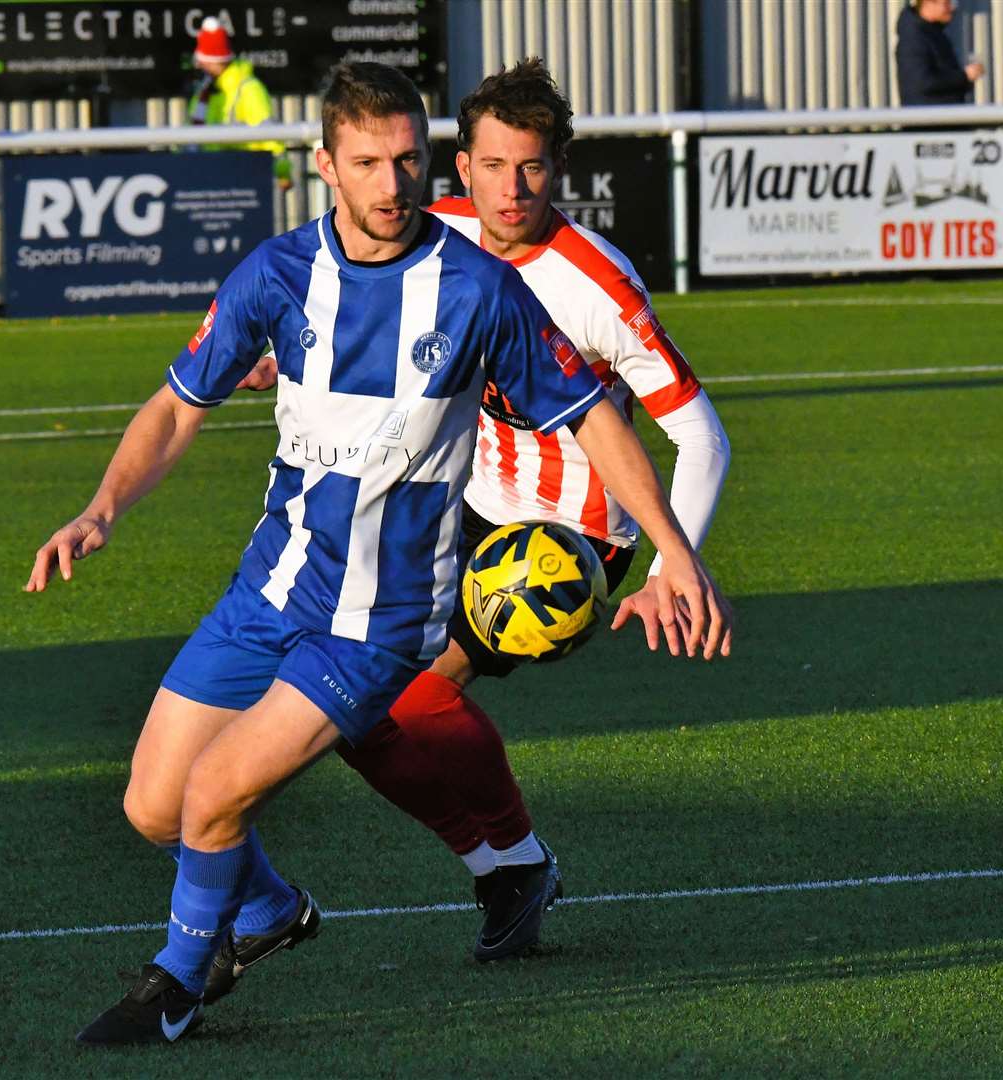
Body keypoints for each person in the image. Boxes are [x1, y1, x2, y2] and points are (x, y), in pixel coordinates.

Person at [27, 61, 731, 1047]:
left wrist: (672, 556)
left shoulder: (478, 289)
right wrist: (102, 507)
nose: (393, 184)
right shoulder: (275, 275)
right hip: (268, 587)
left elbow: (598, 423)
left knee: (218, 791)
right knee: (154, 807)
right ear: (326, 166)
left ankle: (177, 986)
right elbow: (178, 408)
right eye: (368, 163)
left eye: (406, 160)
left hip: (382, 613)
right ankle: (270, 914)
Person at [223, 58, 731, 970]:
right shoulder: (434, 233)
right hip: (461, 503)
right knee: (339, 697)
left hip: (565, 538)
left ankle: (511, 859)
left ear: (559, 168)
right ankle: (507, 863)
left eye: (531, 167)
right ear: (462, 168)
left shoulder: (596, 284)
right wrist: (280, 360)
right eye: (493, 165)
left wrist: (668, 568)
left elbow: (702, 436)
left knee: (391, 689)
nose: (511, 188)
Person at [188, 16, 293, 191]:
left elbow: (270, 136)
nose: (199, 64)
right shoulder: (204, 91)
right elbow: (189, 136)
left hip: (245, 180)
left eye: (203, 59)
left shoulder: (249, 88)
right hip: (207, 179)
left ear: (213, 60)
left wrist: (282, 174)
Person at [895, 0, 983, 106]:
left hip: (943, 115)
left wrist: (964, 80)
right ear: (928, 3)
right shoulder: (914, 38)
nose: (952, 8)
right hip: (928, 118)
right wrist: (964, 76)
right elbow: (922, 82)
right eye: (946, 3)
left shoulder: (933, 33)